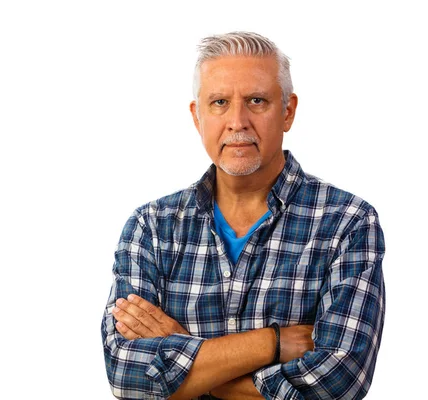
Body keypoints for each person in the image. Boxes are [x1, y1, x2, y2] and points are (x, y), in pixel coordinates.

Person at [100, 31, 385, 400]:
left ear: (288, 111)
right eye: (219, 102)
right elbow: (125, 375)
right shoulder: (152, 226)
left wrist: (183, 358)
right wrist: (272, 342)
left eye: (256, 100)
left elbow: (337, 383)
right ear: (197, 116)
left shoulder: (347, 222)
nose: (237, 121)